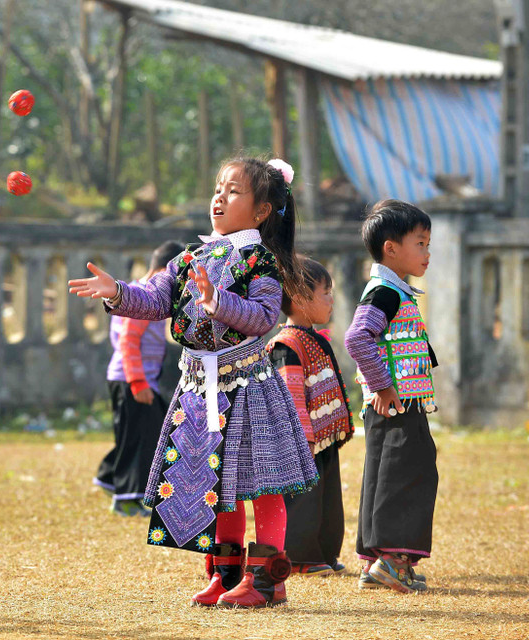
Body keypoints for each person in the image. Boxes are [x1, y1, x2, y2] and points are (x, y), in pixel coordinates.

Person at [69, 157, 318, 608]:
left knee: (261, 484)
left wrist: (216, 300)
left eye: (234, 190)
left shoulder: (259, 261)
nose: (219, 197)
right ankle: (226, 576)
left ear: (262, 211)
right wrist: (117, 292)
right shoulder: (191, 257)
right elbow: (154, 299)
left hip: (249, 388)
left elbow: (263, 318)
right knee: (215, 484)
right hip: (202, 391)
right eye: (218, 188)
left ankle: (267, 582)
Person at [344, 199, 437, 594]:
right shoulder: (386, 292)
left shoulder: (391, 289)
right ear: (391, 248)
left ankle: (375, 562)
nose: (427, 252)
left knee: (384, 476)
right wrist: (383, 384)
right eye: (420, 242)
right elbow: (356, 338)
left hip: (390, 403)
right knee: (409, 474)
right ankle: (394, 564)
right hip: (396, 402)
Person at [268, 256, 354, 577]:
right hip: (303, 441)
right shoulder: (286, 345)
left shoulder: (316, 339)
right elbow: (290, 396)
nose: (332, 299)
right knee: (304, 501)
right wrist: (302, 438)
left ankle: (325, 552)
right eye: (325, 292)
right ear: (301, 299)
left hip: (323, 437)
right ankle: (301, 556)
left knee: (328, 502)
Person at [94, 241, 185, 517]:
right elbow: (129, 342)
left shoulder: (136, 291)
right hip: (132, 379)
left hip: (133, 378)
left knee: (138, 433)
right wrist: (138, 383)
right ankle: (127, 497)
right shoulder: (144, 296)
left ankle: (110, 477)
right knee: (140, 438)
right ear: (163, 270)